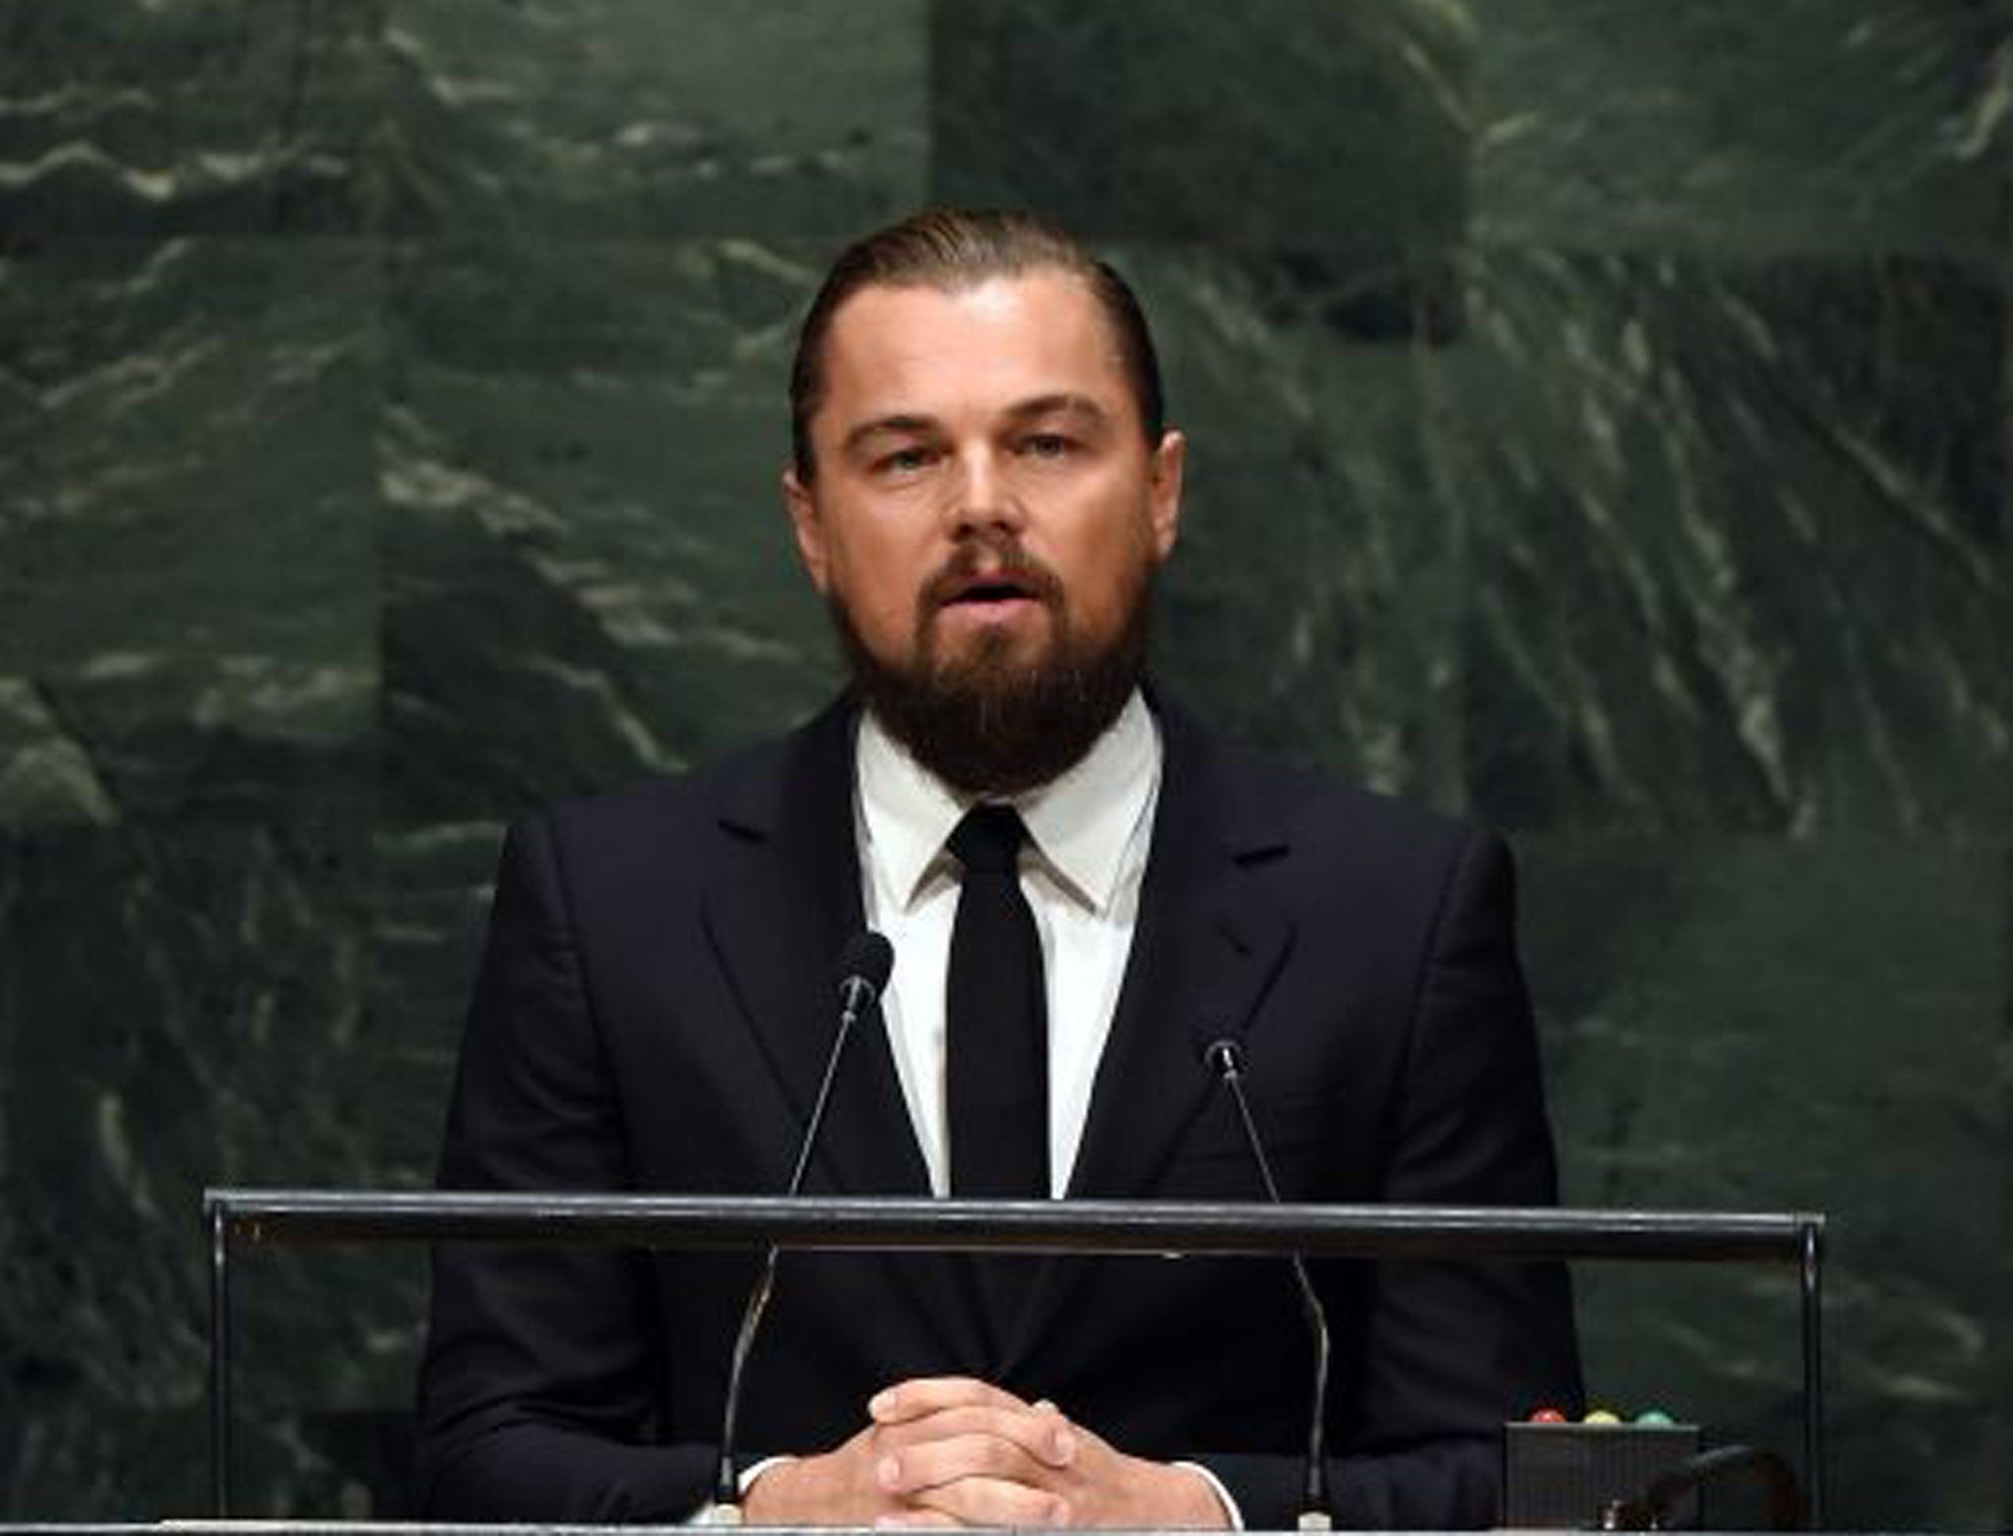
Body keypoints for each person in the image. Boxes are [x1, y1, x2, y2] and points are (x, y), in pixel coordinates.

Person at [415, 208, 1582, 1529]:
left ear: (1161, 490)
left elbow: (1511, 1472)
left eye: (1047, 442)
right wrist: (770, 1512)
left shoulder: (1397, 913)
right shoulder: (610, 903)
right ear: (810, 524)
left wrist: (1189, 1515)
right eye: (906, 456)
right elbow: (490, 1445)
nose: (982, 507)